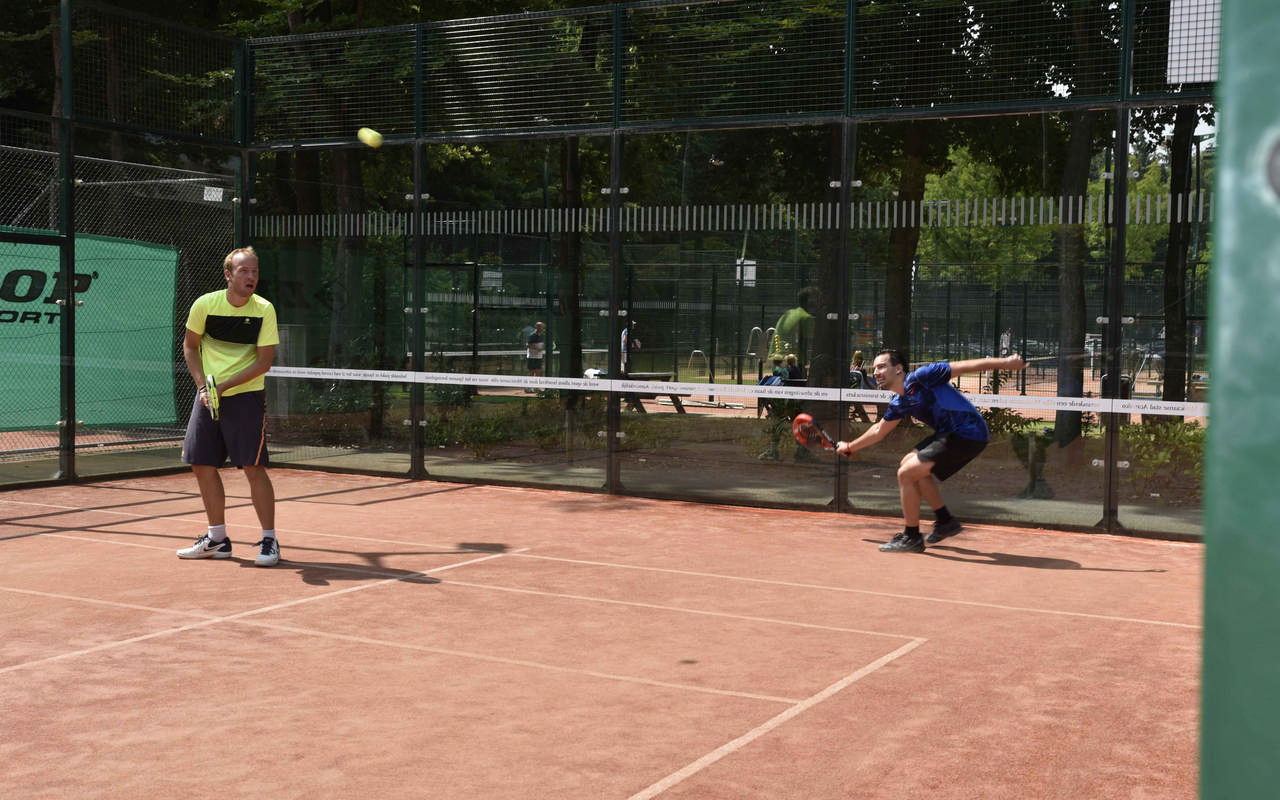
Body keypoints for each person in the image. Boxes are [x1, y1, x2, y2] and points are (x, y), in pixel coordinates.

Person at [835, 349, 1027, 553]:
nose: (876, 372)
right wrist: (850, 447)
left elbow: (966, 366)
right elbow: (878, 430)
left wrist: (1006, 363)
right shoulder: (900, 401)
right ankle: (945, 521)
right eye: (874, 368)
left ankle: (912, 537)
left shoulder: (923, 376)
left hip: (968, 432)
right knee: (908, 464)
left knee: (906, 473)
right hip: (947, 434)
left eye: (881, 366)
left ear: (898, 369)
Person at [176, 246, 281, 567]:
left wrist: (221, 388)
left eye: (254, 271)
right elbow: (190, 346)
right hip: (207, 397)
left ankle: (269, 540)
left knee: (253, 467)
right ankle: (217, 539)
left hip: (246, 397)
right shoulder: (204, 305)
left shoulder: (264, 310)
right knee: (201, 464)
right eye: (244, 271)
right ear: (228, 275)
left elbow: (263, 362)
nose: (251, 277)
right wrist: (203, 388)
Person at [525, 321, 546, 391]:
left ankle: (536, 387)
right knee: (531, 372)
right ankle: (528, 387)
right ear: (537, 327)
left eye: (543, 327)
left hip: (539, 357)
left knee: (538, 372)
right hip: (532, 356)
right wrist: (536, 349)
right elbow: (528, 345)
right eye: (541, 327)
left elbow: (542, 345)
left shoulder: (542, 336)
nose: (542, 329)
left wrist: (542, 348)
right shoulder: (532, 335)